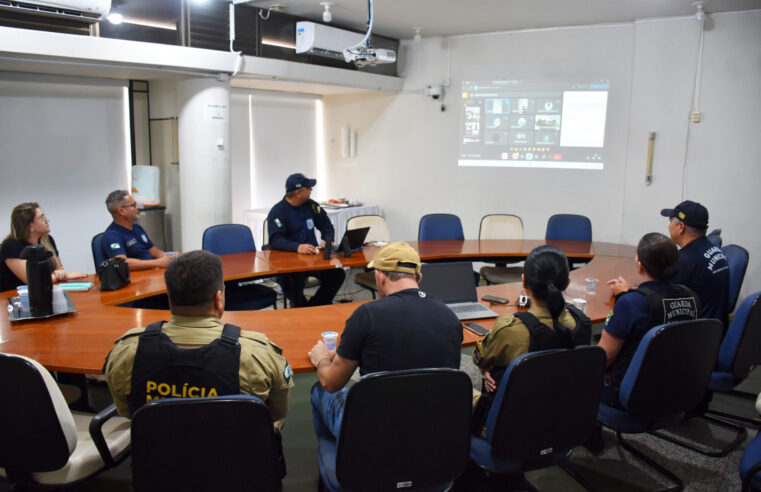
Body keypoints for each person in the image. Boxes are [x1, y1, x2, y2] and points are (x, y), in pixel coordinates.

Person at [104, 250, 293, 427]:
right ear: (218, 299)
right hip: (235, 458)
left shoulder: (126, 352)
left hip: (159, 458)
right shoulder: (257, 356)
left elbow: (128, 412)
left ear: (169, 297)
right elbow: (277, 412)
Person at [307, 241, 462, 439]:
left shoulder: (366, 315)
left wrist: (322, 359)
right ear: (419, 278)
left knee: (320, 390)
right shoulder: (450, 317)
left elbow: (331, 383)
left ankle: (334, 461)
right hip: (433, 424)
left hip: (375, 428)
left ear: (379, 277)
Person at [470, 245, 589, 431]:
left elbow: (481, 358)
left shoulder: (511, 328)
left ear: (524, 282)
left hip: (513, 425)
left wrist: (486, 368)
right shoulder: (582, 323)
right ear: (568, 281)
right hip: (562, 419)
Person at [599, 232, 700, 408]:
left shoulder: (630, 303)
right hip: (676, 386)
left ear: (640, 266)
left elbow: (604, 358)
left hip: (630, 392)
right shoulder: (692, 297)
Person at [612, 201, 729, 329]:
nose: (668, 227)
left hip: (695, 335)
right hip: (715, 330)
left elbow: (658, 299)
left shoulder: (685, 261)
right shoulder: (712, 248)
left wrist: (627, 291)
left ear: (681, 227)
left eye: (670, 221)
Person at [266, 173, 345, 307]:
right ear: (299, 192)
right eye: (308, 188)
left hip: (312, 259)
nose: (311, 190)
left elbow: (326, 226)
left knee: (337, 274)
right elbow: (275, 240)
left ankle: (316, 305)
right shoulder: (277, 211)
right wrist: (297, 247)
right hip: (289, 263)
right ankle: (301, 309)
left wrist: (328, 240)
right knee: (292, 283)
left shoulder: (312, 206)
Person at [0, 202, 86, 292]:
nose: (47, 220)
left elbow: (59, 269)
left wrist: (60, 273)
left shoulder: (47, 240)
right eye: (42, 218)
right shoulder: (11, 246)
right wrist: (67, 275)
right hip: (17, 298)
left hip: (46, 292)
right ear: (29, 226)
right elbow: (32, 280)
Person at [101, 190, 178, 271]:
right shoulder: (112, 235)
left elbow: (157, 253)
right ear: (121, 211)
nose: (138, 207)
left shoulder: (137, 228)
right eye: (133, 205)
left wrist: (171, 255)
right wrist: (158, 263)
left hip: (152, 273)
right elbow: (122, 263)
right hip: (137, 278)